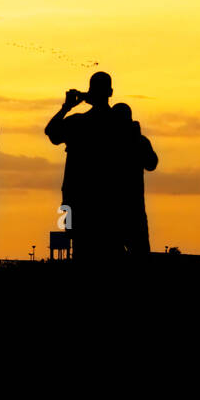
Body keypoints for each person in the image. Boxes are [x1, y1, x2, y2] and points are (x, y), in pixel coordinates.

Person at [45, 71, 120, 262]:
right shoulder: (119, 124)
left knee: (81, 252)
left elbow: (51, 132)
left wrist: (67, 107)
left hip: (78, 200)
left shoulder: (78, 122)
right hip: (111, 201)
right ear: (110, 92)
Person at [112, 102, 158, 258]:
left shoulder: (111, 141)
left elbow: (151, 164)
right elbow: (152, 164)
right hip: (131, 208)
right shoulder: (139, 140)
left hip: (118, 209)